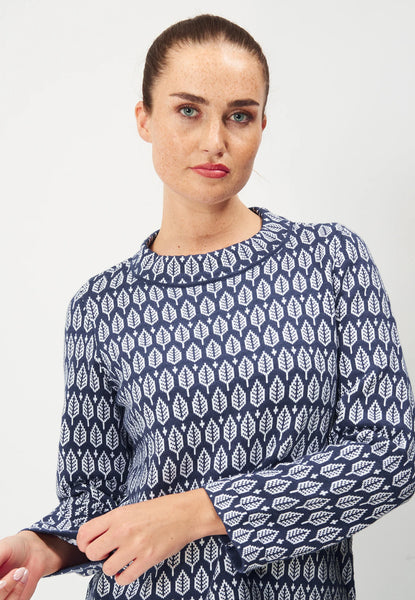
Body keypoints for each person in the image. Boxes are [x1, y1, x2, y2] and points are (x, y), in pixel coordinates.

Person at [0, 13, 414, 600]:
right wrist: (42, 547)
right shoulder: (101, 306)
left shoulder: (331, 260)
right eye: (188, 110)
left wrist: (203, 511)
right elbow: (91, 501)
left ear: (263, 125)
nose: (214, 139)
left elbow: (391, 453)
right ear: (144, 118)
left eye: (239, 115)